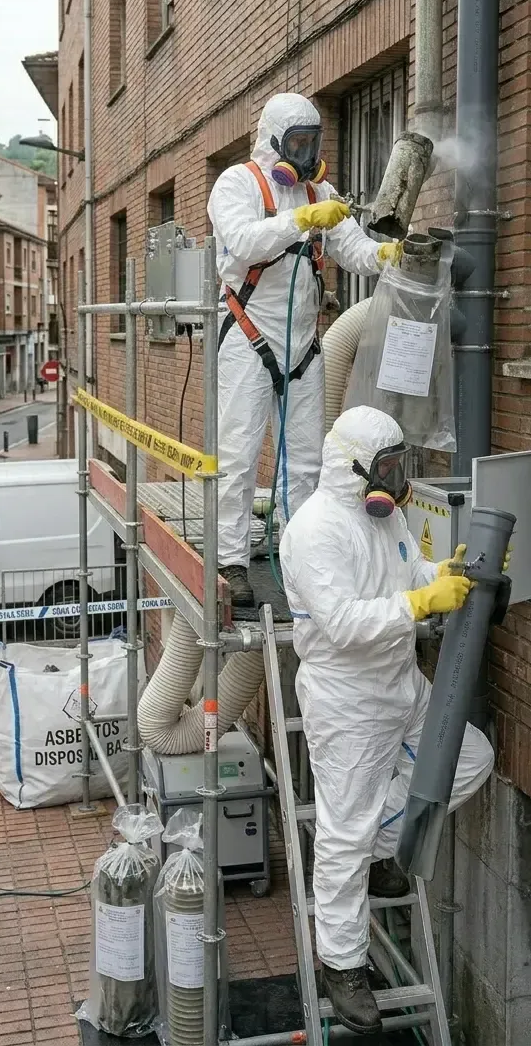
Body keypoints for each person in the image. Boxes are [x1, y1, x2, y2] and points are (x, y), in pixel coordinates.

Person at [280, 406, 496, 1035]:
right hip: (347, 699)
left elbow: (407, 572)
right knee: (343, 833)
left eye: (401, 467)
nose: (399, 481)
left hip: (401, 683)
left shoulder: (387, 515)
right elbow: (345, 622)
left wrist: (441, 576)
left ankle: (385, 846)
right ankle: (341, 963)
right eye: (389, 468)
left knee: (473, 758)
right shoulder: (315, 530)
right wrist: (421, 603)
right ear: (354, 469)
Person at [207, 93, 401, 608]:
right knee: (239, 455)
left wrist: (384, 255)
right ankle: (231, 561)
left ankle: (299, 557)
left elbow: (352, 249)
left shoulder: (321, 191)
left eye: (312, 142)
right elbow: (246, 242)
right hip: (248, 335)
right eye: (296, 142)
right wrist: (302, 219)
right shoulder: (237, 184)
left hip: (302, 346)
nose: (306, 152)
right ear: (274, 141)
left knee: (307, 463)